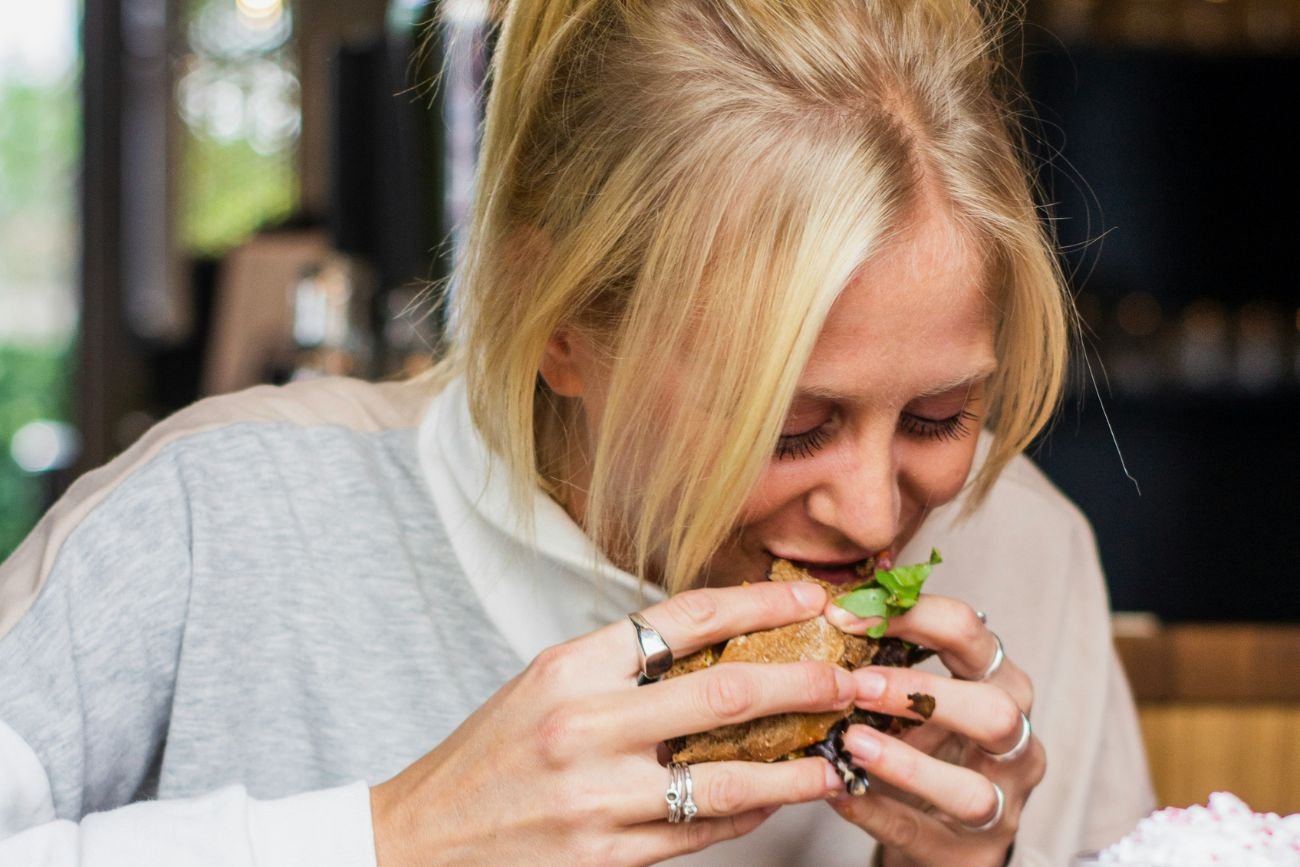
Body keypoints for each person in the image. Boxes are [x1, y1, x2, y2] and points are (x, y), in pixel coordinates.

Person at [0, 0, 1155, 865]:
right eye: (788, 426)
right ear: (557, 322)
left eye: (940, 417)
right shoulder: (219, 518)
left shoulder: (1027, 553)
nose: (872, 514)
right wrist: (395, 837)